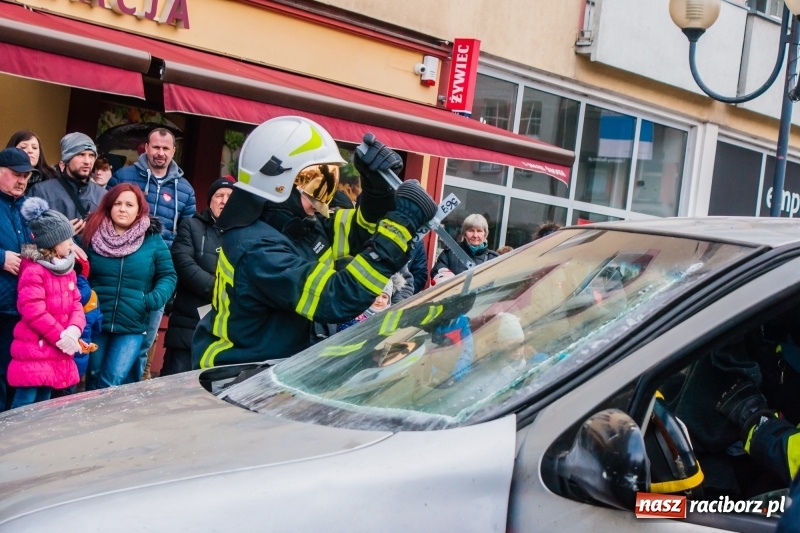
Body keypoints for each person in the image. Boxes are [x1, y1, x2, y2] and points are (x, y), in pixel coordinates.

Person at [192, 116, 438, 369]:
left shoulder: (297, 223)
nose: (324, 198)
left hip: (275, 371)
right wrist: (400, 225)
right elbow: (335, 297)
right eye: (316, 184)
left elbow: (358, 233)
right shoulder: (255, 247)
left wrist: (377, 193)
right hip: (235, 375)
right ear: (279, 183)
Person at [109, 128, 196, 381]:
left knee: (144, 341)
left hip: (158, 275)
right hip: (122, 270)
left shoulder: (185, 190)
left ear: (173, 151)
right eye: (155, 147)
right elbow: (105, 218)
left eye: (165, 148)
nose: (160, 153)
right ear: (145, 147)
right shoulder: (124, 177)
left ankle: (131, 395)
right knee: (112, 336)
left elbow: (186, 235)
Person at [80, 184, 176, 389]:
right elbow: (78, 273)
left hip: (132, 324)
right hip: (96, 320)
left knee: (112, 380)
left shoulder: (152, 239)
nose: (123, 209)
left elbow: (168, 275)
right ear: (109, 206)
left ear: (139, 210)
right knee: (94, 376)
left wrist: (152, 299)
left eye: (129, 204)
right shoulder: (91, 234)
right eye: (118, 203)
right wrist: (85, 300)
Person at [8, 198, 85, 408]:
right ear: (52, 241)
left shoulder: (66, 269)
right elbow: (33, 310)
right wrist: (59, 335)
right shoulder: (34, 270)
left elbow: (76, 303)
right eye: (67, 239)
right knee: (25, 404)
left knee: (44, 402)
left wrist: (74, 329)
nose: (72, 244)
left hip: (56, 347)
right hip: (35, 348)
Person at [161, 177, 234, 376]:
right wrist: (221, 290)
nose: (224, 201)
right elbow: (184, 264)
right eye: (219, 195)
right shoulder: (191, 226)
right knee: (174, 387)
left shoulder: (244, 234)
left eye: (230, 196)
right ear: (210, 201)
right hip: (188, 325)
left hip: (227, 330)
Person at [0, 148, 36, 411]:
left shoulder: (27, 207)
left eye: (26, 175)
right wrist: (1, 258)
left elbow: (29, 248)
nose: (22, 180)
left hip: (20, 305)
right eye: (16, 174)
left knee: (9, 372)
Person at [28, 132, 106, 237]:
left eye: (91, 155)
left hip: (88, 253)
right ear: (66, 160)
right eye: (81, 154)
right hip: (51, 253)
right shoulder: (41, 191)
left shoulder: (103, 195)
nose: (87, 161)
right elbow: (26, 236)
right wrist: (58, 235)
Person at [432, 213, 498, 277]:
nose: (475, 235)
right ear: (464, 234)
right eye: (471, 231)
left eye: (479, 231)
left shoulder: (494, 259)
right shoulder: (450, 253)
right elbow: (437, 271)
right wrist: (444, 275)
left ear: (485, 234)